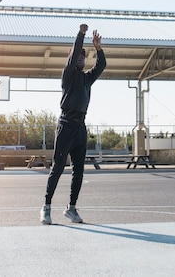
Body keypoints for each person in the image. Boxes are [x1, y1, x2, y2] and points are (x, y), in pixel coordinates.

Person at [40, 24, 106, 225]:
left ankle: (71, 208)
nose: (80, 59)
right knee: (58, 167)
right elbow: (74, 53)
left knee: (79, 170)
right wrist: (81, 35)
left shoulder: (87, 79)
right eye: (77, 56)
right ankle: (46, 207)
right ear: (71, 58)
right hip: (66, 126)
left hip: (80, 128)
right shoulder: (68, 75)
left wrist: (98, 48)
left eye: (83, 58)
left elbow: (101, 66)